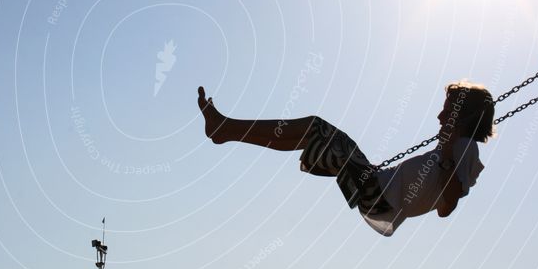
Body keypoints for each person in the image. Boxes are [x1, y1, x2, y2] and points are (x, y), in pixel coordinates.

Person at [197, 81, 493, 236]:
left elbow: (448, 205)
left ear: (463, 116)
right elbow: (444, 203)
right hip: (377, 188)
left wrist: (446, 153)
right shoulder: (458, 149)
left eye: (448, 110)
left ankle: (227, 128)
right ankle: (228, 130)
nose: (441, 116)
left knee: (315, 127)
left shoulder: (464, 148)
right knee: (313, 134)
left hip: (378, 194)